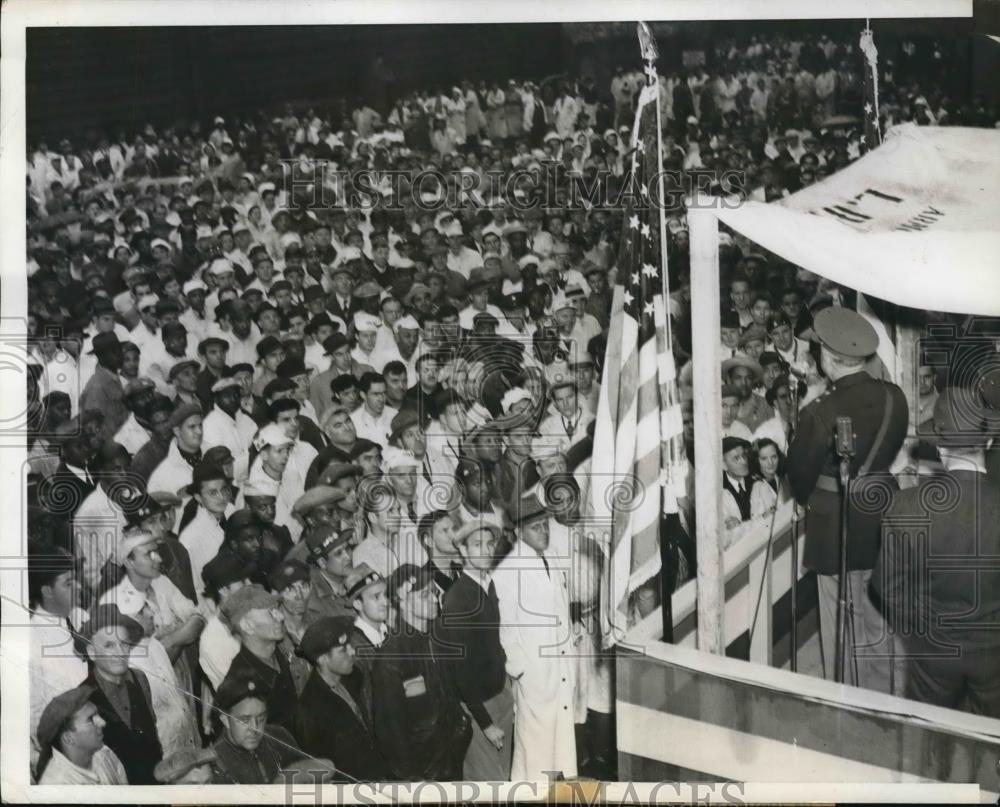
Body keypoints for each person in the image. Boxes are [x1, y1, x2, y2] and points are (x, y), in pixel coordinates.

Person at [785, 307, 908, 686]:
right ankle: (889, 690)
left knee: (839, 617)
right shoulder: (894, 396)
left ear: (827, 357)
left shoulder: (820, 410)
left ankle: (849, 695)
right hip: (883, 507)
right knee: (879, 608)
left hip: (834, 517)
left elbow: (798, 475)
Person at [870, 387, 1000, 712]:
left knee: (930, 737)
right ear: (987, 442)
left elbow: (886, 587)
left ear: (940, 447)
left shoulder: (906, 506)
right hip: (994, 651)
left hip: (933, 647)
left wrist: (923, 628)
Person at [493, 493, 578, 782]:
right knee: (535, 747)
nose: (543, 532)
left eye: (545, 525)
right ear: (518, 531)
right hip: (534, 674)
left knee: (560, 744)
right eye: (535, 527)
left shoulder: (551, 558)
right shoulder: (507, 571)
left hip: (560, 666)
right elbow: (504, 630)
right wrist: (523, 670)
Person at [370, 564, 472, 781]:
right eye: (425, 595)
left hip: (449, 758)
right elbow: (391, 732)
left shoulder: (436, 638)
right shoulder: (392, 657)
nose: (435, 599)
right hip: (423, 771)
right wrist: (413, 779)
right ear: (403, 601)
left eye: (434, 592)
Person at [435, 518, 514, 781]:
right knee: (487, 783)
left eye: (490, 543)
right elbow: (460, 671)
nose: (486, 550)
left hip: (499, 696)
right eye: (477, 544)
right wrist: (485, 723)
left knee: (504, 778)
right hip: (478, 708)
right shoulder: (458, 598)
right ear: (463, 551)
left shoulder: (487, 585)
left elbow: (493, 643)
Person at [295, 616, 390, 783]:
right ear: (323, 659)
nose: (352, 652)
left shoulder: (352, 678)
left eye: (350, 646)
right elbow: (325, 772)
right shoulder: (311, 708)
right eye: (343, 650)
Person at [76, 604, 163, 784]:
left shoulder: (139, 678)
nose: (120, 652)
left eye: (124, 643)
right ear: (92, 652)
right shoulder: (82, 699)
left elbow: (151, 731)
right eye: (109, 645)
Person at [218, 584, 300, 735]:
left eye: (277, 609)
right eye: (271, 613)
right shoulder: (240, 682)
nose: (280, 616)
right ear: (247, 626)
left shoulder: (280, 652)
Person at [209, 668, 312, 784]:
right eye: (244, 720)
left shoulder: (279, 736)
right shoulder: (214, 765)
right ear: (225, 720)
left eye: (261, 718)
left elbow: (319, 771)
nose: (255, 728)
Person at [35, 685, 129, 784]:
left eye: (98, 715)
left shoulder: (105, 753)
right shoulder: (56, 785)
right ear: (69, 738)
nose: (103, 722)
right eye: (90, 719)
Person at [750, 437, 791, 518]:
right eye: (764, 458)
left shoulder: (784, 479)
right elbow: (753, 520)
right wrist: (764, 516)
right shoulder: (755, 486)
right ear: (756, 461)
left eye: (774, 457)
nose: (770, 462)